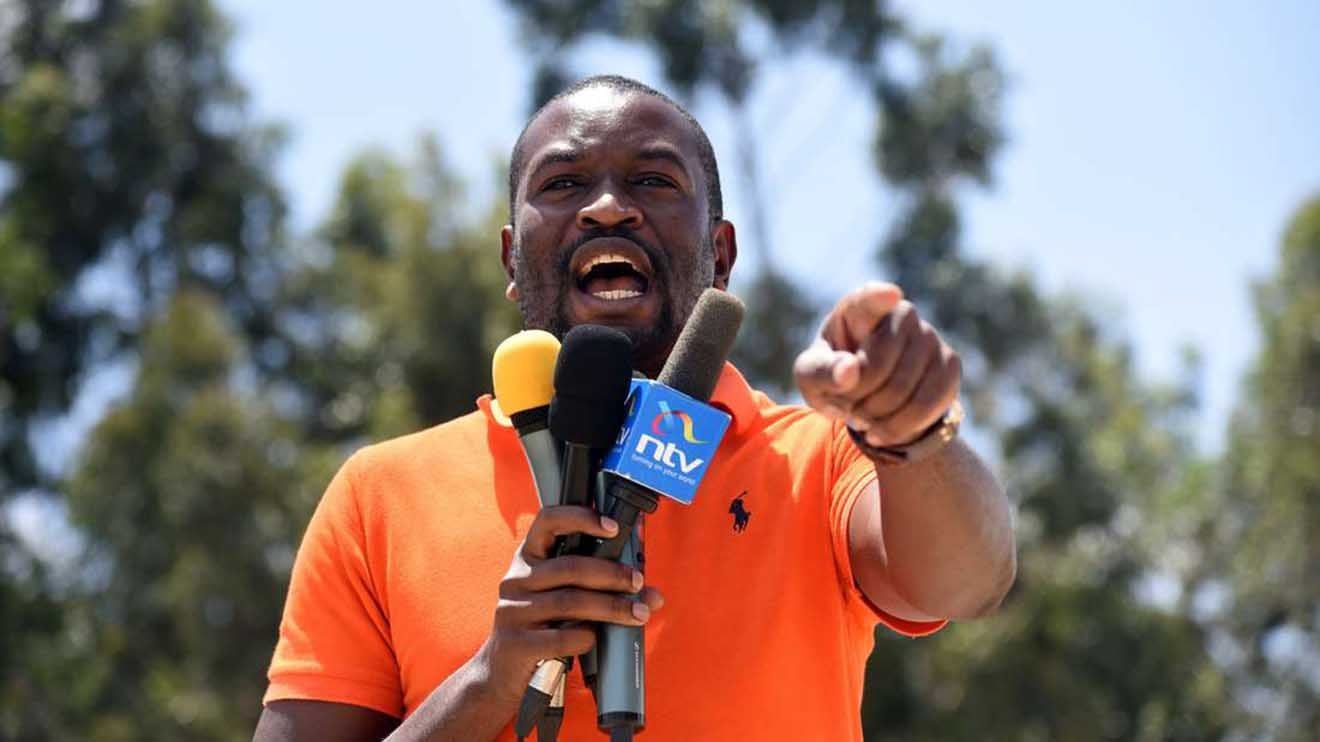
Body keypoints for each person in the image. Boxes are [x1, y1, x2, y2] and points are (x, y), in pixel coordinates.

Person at [254, 75, 1015, 742]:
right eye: (563, 184)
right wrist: (488, 682)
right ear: (511, 260)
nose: (608, 209)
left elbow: (969, 584)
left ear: (721, 255)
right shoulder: (379, 496)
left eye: (653, 181)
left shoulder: (819, 459)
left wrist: (911, 432)